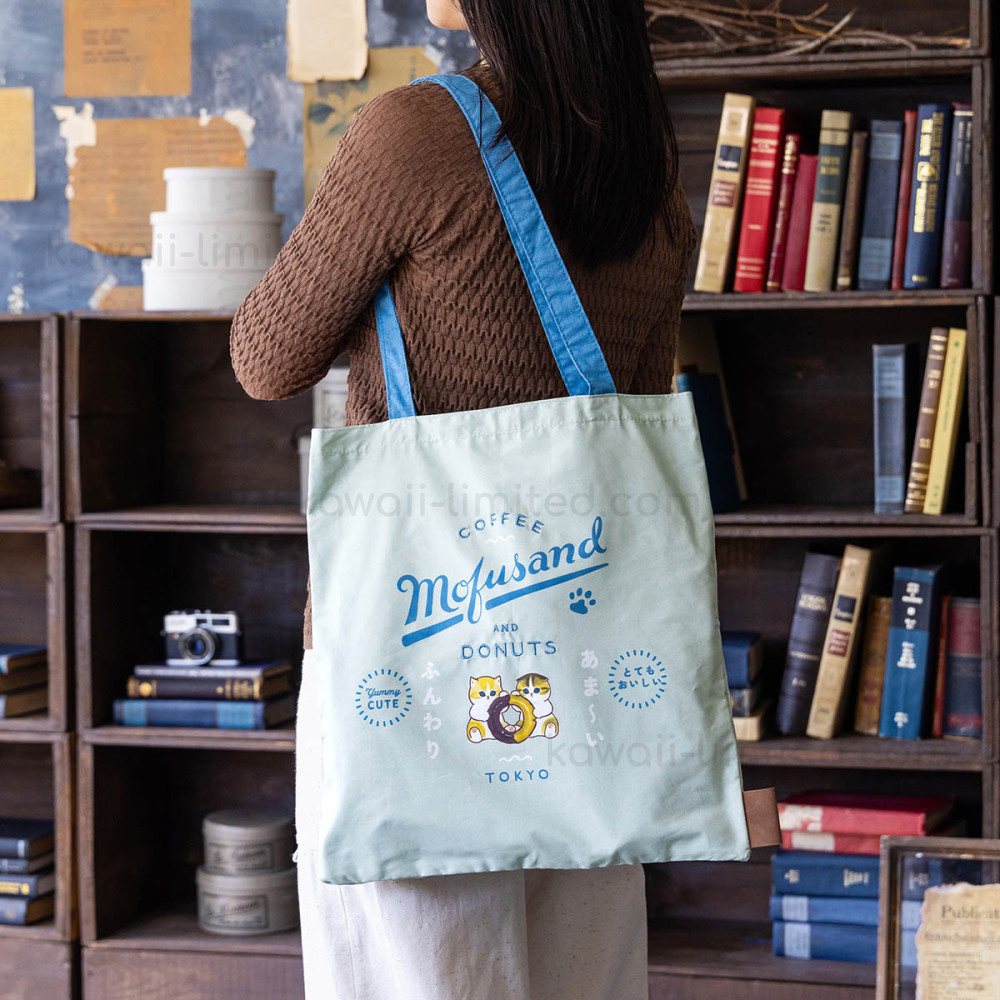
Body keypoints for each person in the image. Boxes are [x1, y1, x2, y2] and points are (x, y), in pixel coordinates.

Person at [230, 0, 697, 995]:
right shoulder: (648, 170)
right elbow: (635, 410)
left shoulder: (416, 133)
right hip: (587, 665)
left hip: (408, 650)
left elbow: (266, 358)